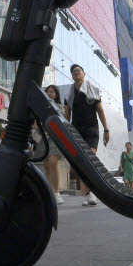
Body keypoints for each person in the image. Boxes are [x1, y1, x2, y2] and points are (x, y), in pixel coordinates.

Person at [64, 64, 109, 206]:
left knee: (90, 159)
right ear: (72, 76)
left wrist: (106, 129)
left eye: (78, 70)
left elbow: (100, 111)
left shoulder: (93, 90)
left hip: (92, 130)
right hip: (76, 131)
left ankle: (93, 192)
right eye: (73, 72)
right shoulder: (69, 94)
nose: (76, 73)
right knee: (82, 163)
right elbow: (66, 115)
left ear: (84, 73)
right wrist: (65, 132)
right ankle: (87, 194)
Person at [30, 85, 65, 204]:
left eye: (52, 92)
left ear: (56, 95)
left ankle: (56, 192)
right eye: (47, 92)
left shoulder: (59, 106)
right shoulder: (38, 107)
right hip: (42, 138)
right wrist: (37, 127)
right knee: (46, 165)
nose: (49, 93)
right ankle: (51, 193)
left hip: (54, 137)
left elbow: (60, 120)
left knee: (53, 162)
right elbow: (34, 122)